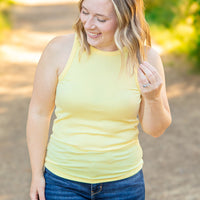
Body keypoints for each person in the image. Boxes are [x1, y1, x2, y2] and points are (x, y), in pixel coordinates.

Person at [26, 0, 172, 199]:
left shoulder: (145, 59)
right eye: (85, 12)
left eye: (101, 19)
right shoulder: (59, 50)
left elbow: (156, 129)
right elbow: (39, 113)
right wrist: (36, 174)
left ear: (125, 20)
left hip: (124, 185)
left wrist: (153, 98)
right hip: (62, 183)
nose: (88, 24)